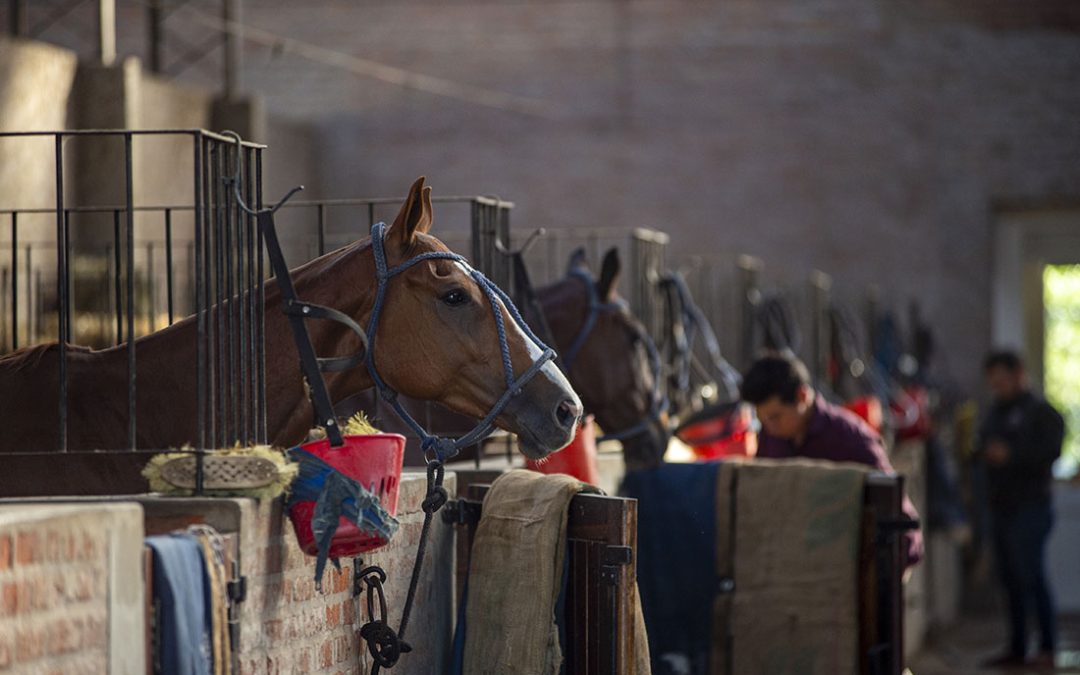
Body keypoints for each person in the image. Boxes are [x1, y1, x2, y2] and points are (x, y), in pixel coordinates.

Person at [740, 353, 924, 568]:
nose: (769, 427)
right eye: (763, 421)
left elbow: (898, 516)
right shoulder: (770, 438)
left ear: (802, 396)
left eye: (775, 417)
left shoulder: (850, 438)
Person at [977, 350, 1063, 669]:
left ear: (1018, 375)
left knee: (1031, 575)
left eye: (1002, 381)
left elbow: (1048, 453)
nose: (997, 388)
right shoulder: (996, 414)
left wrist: (1011, 455)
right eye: (993, 383)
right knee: (1010, 578)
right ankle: (1017, 646)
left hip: (1031, 508)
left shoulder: (1042, 414)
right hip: (1002, 507)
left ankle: (1048, 647)